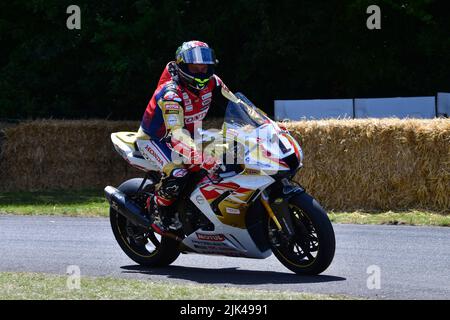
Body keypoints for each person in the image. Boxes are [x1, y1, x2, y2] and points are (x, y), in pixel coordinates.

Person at [138, 40, 230, 233]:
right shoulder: (171, 93)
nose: (201, 71)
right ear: (182, 67)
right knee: (178, 173)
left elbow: (237, 102)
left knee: (229, 154)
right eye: (195, 67)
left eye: (204, 66)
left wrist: (265, 121)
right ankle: (160, 211)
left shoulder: (213, 81)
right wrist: (201, 156)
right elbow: (177, 133)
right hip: (156, 139)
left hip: (191, 134)